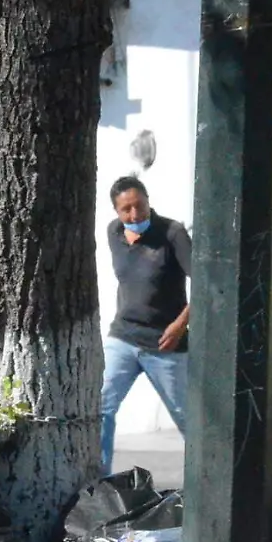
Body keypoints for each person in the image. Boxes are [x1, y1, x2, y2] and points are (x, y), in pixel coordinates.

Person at [100, 175, 191, 472]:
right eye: (126, 210)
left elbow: (207, 284)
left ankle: (210, 485)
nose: (134, 215)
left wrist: (180, 325)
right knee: (101, 408)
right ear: (116, 212)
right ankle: (98, 483)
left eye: (139, 206)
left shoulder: (173, 234)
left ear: (149, 201)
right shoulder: (114, 232)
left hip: (165, 344)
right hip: (122, 337)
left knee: (187, 418)